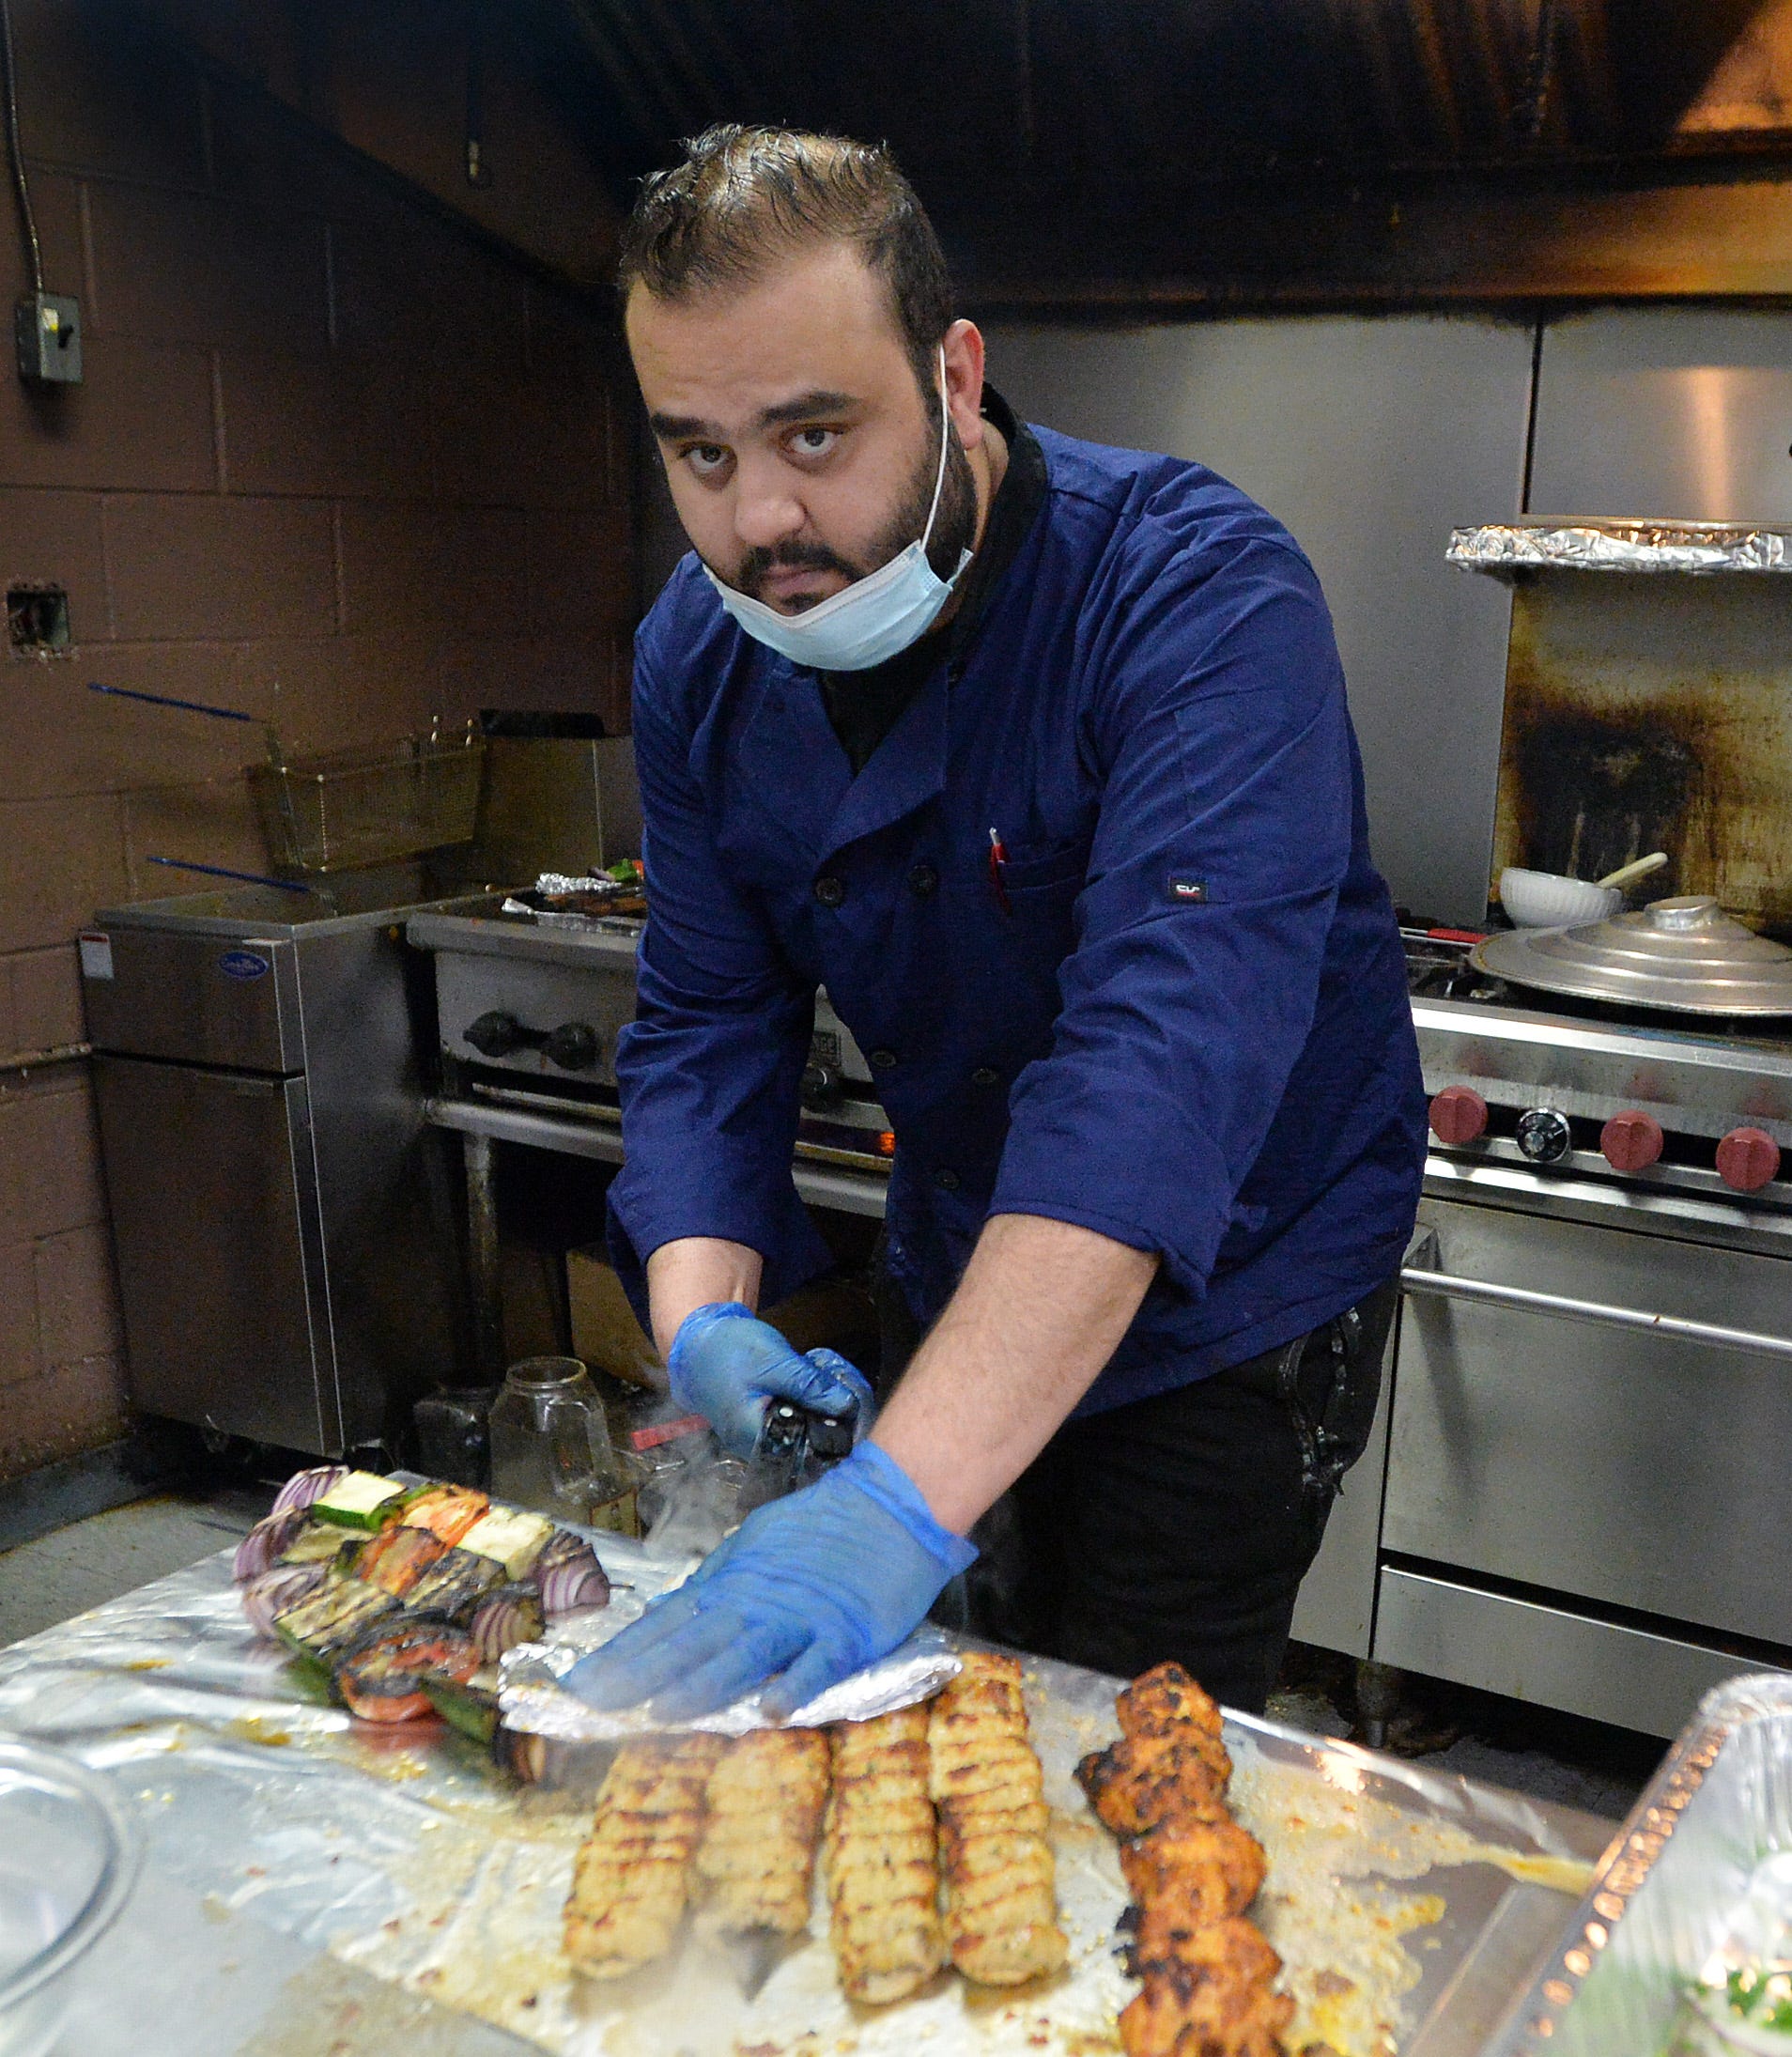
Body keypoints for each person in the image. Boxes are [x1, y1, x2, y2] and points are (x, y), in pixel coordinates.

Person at [566, 125, 1426, 1725]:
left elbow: (1151, 1082)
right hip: (963, 1258)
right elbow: (702, 1022)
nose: (762, 521)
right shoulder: (700, 657)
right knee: (939, 1712)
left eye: (816, 434)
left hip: (1230, 1300)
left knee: (1127, 1753)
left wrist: (898, 1503)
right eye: (699, 454)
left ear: (956, 375)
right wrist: (699, 1325)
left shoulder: (1196, 597)